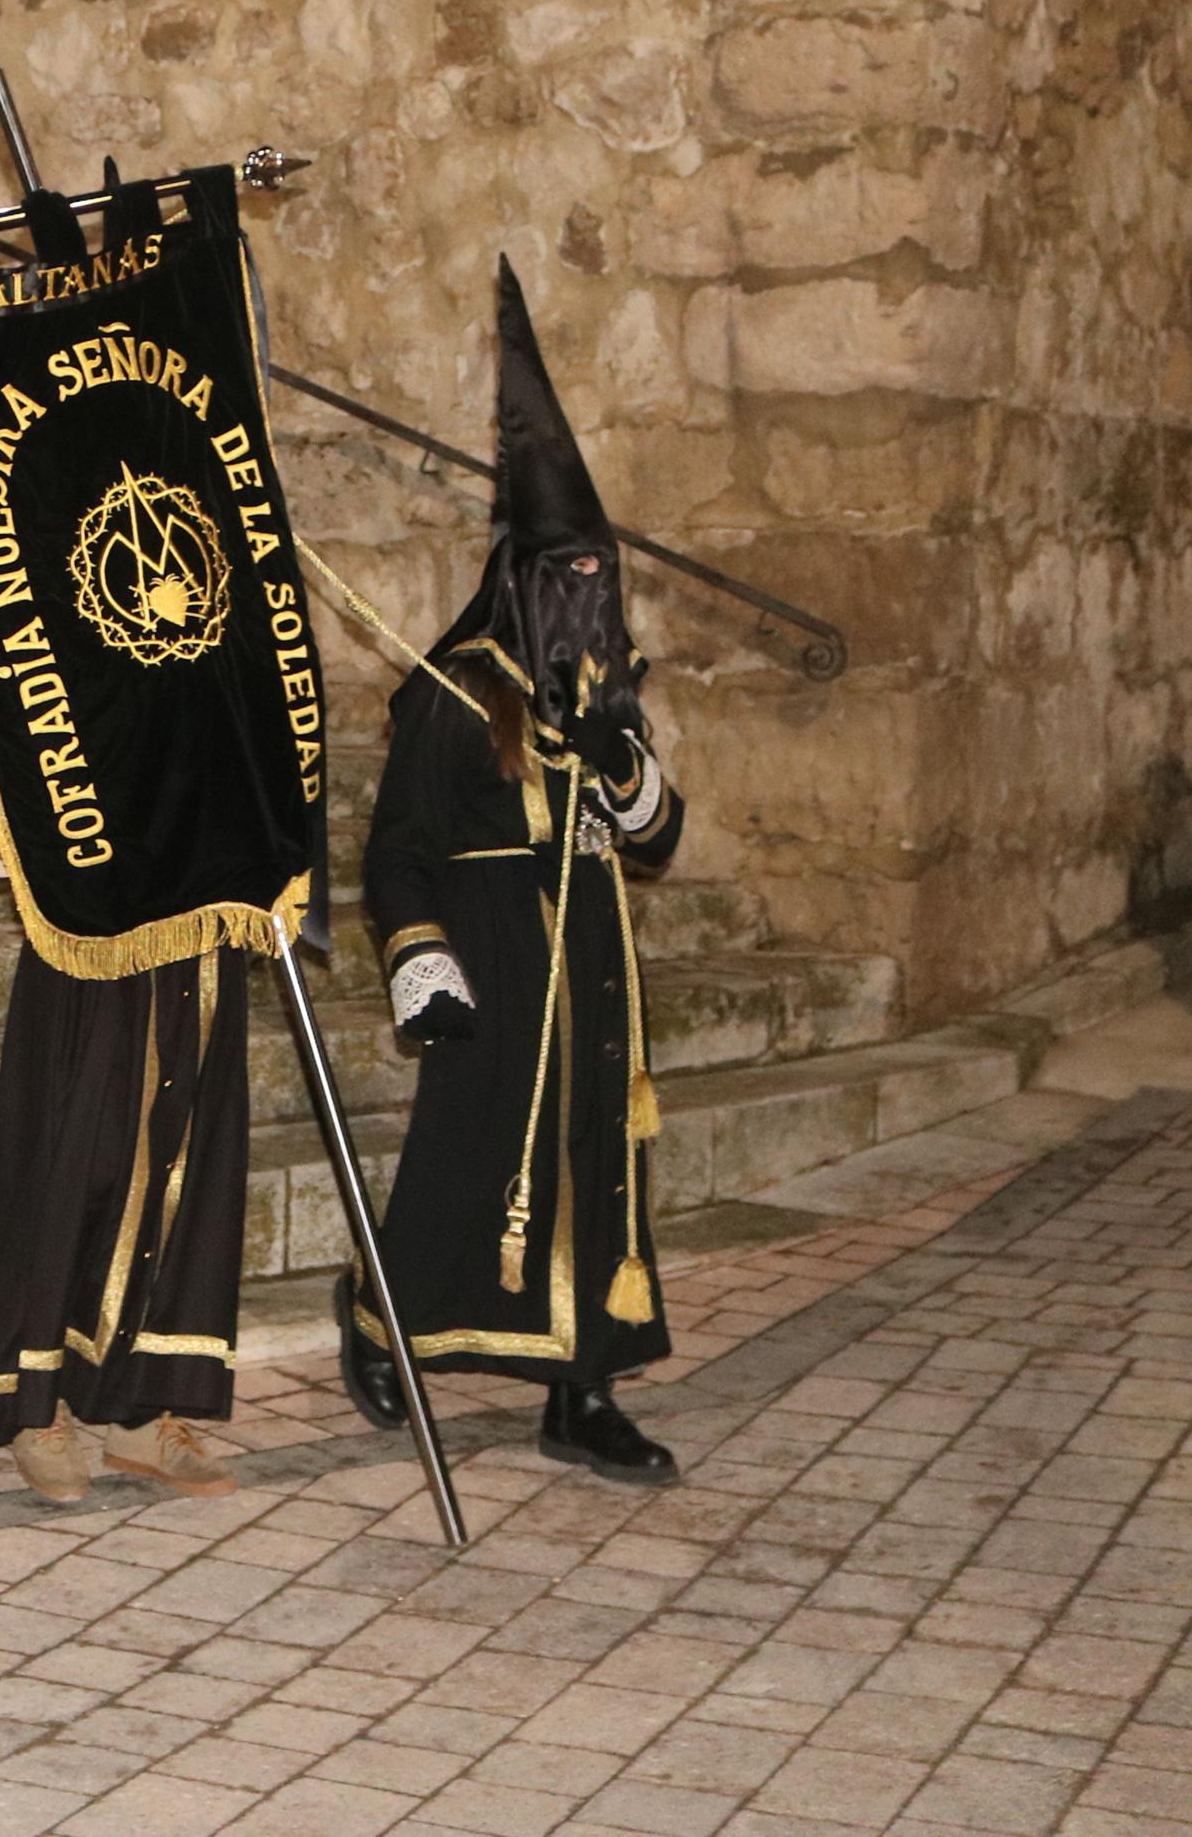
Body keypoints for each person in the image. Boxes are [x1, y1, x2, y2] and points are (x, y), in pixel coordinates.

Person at [342, 263, 688, 1487]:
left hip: (592, 970)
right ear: (523, 576)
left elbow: (656, 840)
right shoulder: (454, 694)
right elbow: (394, 848)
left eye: (603, 571)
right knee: (463, 1161)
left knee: (596, 1165)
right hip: (491, 963)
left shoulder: (608, 693)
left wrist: (624, 767)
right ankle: (380, 1314)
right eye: (570, 575)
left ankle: (579, 1390)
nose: (591, 595)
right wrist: (420, 957)